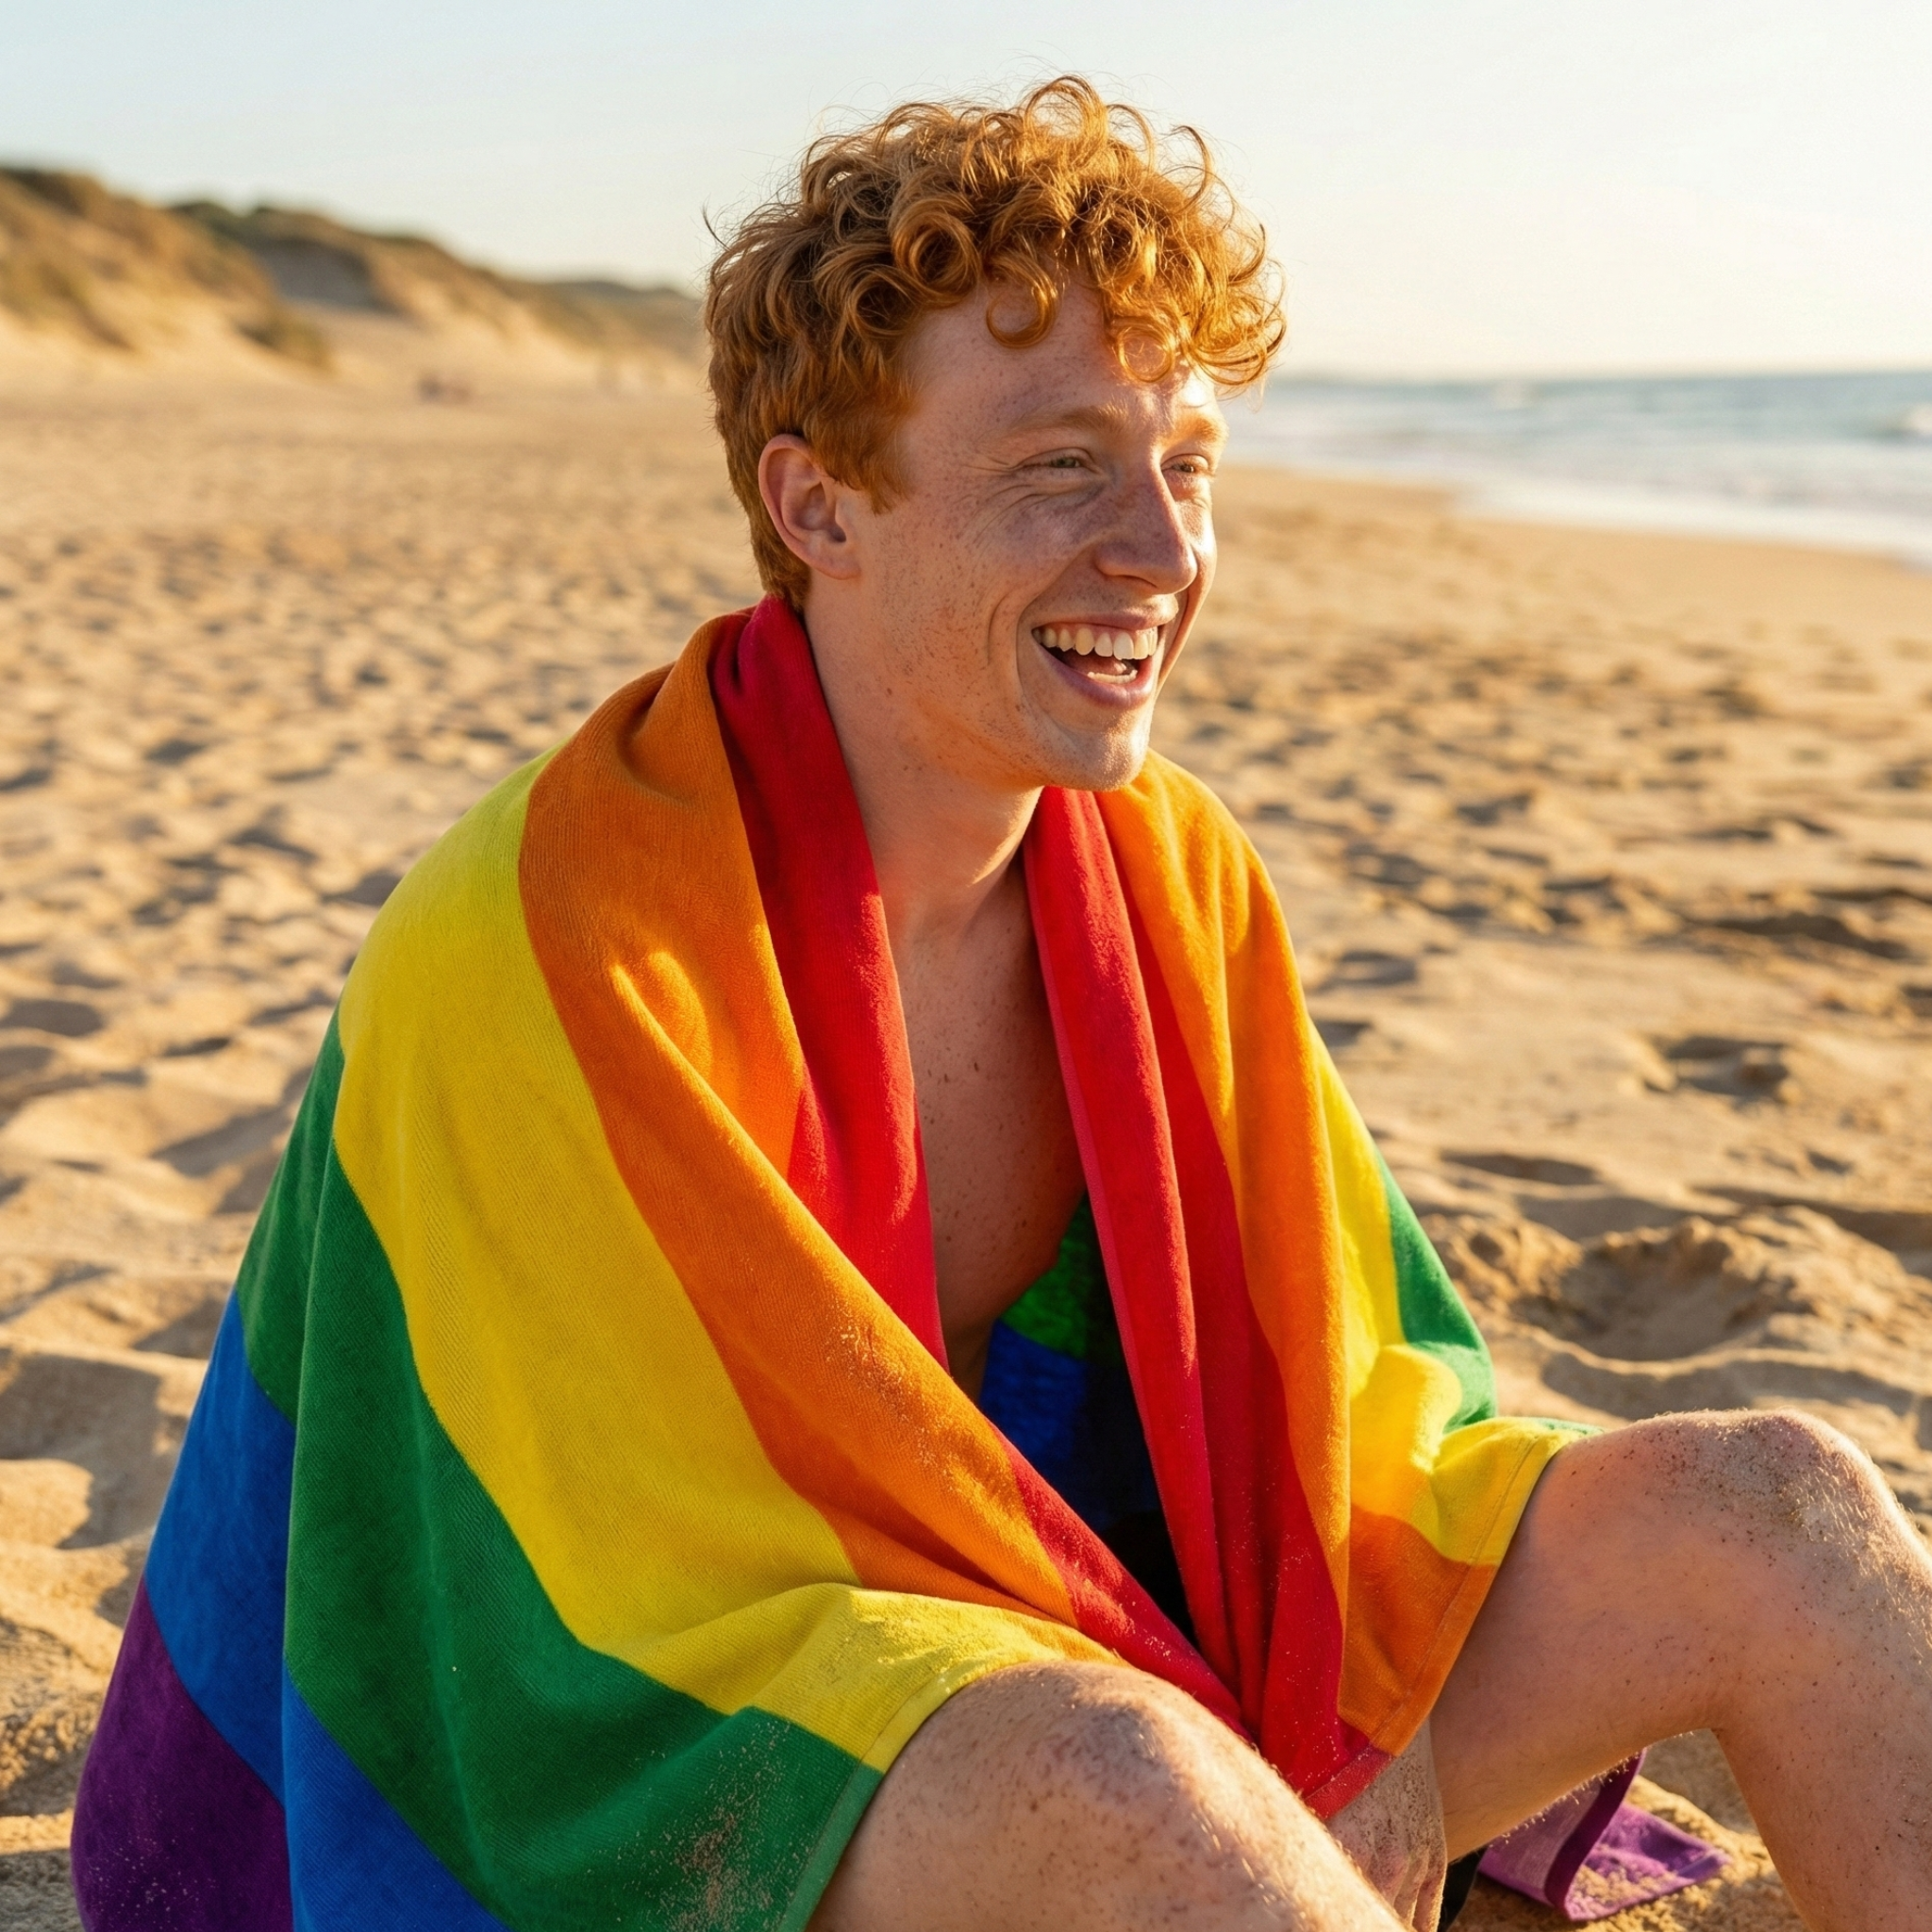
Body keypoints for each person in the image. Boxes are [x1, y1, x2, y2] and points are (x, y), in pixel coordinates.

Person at [73, 78, 1932, 1932]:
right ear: (816, 504)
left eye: (1186, 463)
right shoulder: (550, 942)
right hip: (676, 1738)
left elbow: (1358, 1410)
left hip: (1104, 1663)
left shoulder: (1172, 873)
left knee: (1793, 1513)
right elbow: (563, 1622)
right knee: (1132, 1793)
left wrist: (1393, 1758)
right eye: (1058, 466)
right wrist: (1113, 1732)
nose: (1159, 548)